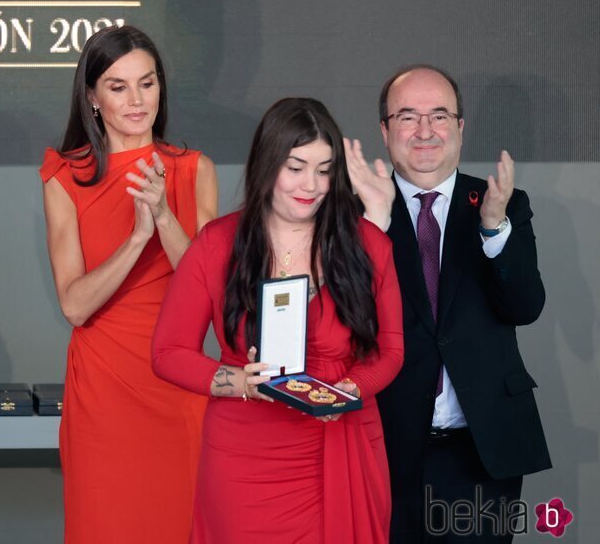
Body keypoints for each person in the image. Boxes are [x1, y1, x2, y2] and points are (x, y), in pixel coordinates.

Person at [152, 97, 404, 543]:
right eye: (296, 166)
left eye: (325, 170)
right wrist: (239, 381)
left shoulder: (368, 244)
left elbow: (391, 351)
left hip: (340, 443)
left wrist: (352, 388)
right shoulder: (217, 244)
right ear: (268, 163)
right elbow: (167, 353)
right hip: (243, 458)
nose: (312, 184)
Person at [345, 64, 551, 542]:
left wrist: (494, 230)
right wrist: (371, 225)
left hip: (482, 447)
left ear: (460, 127)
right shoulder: (353, 210)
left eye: (439, 117)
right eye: (407, 117)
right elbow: (343, 317)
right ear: (384, 129)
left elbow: (525, 307)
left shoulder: (503, 203)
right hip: (385, 443)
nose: (424, 132)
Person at [40, 25, 218, 543]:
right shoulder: (63, 176)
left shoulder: (193, 169)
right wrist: (138, 238)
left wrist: (162, 217)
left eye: (148, 83)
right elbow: (74, 305)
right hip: (104, 393)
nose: (137, 100)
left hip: (178, 383)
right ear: (92, 97)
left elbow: (206, 294)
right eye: (118, 87)